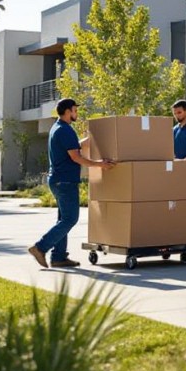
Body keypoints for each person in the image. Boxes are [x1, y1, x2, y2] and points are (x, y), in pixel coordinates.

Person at [29, 99, 115, 268]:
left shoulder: (57, 128)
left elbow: (74, 148)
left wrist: (91, 139)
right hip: (65, 181)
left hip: (59, 180)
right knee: (70, 219)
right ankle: (40, 247)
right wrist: (100, 164)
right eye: (75, 110)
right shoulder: (66, 130)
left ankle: (58, 257)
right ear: (68, 111)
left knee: (63, 219)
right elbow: (75, 156)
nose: (77, 113)